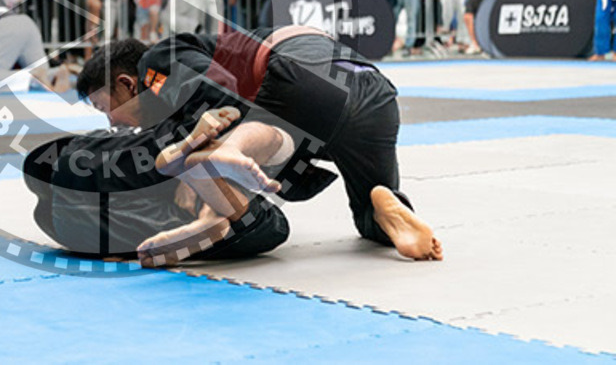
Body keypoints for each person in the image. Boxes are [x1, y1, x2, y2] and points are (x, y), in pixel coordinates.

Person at [75, 30, 444, 263]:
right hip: (375, 96)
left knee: (241, 135)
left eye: (104, 107)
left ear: (127, 84)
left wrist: (195, 165)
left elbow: (218, 92)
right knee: (369, 223)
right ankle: (386, 205)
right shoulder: (169, 102)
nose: (110, 123)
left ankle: (215, 204)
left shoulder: (155, 62)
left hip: (300, 72)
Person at [24, 106, 291, 266]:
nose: (107, 116)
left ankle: (201, 201)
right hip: (111, 205)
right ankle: (204, 206)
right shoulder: (154, 121)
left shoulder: (111, 136)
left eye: (101, 104)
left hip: (74, 227)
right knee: (272, 224)